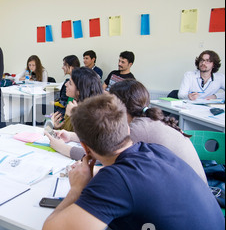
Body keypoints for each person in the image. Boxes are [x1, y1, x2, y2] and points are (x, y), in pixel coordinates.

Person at [38, 93, 225, 230]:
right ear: (127, 128)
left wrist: (77, 189)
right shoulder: (156, 151)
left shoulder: (115, 181)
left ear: (85, 148)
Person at [47, 79, 208, 184]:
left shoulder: (138, 129)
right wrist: (71, 136)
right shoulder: (146, 121)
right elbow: (104, 140)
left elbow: (103, 158)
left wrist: (61, 147)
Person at [51, 67, 103, 131]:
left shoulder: (93, 113)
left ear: (79, 90)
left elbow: (85, 138)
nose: (65, 84)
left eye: (70, 83)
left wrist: (75, 116)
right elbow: (65, 131)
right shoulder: (72, 102)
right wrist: (55, 127)